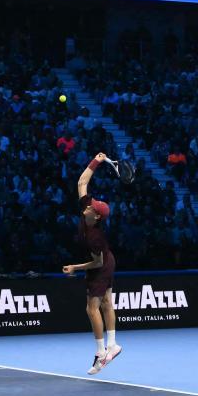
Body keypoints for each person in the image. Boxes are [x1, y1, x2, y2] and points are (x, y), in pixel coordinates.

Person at [62, 152, 121, 375]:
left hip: (102, 264)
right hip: (107, 260)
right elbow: (82, 182)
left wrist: (74, 268)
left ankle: (101, 352)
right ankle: (113, 345)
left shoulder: (95, 236)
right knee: (106, 302)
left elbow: (96, 263)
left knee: (92, 308)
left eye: (92, 206)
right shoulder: (88, 209)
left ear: (96, 216)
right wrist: (96, 160)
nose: (88, 205)